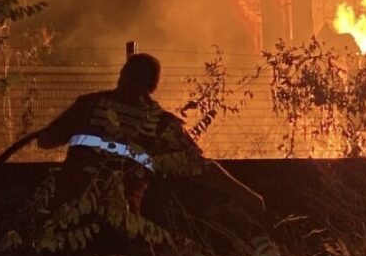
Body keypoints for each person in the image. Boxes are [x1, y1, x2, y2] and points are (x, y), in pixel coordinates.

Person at [27, 52, 264, 215]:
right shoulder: (161, 124)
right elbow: (201, 167)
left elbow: (46, 141)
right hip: (121, 219)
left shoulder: (89, 104)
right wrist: (247, 195)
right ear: (154, 85)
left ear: (121, 75)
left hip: (66, 212)